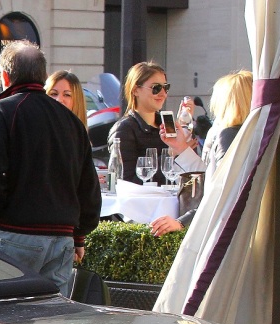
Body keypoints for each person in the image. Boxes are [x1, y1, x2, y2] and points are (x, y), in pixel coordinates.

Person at [0, 40, 101, 296]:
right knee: (50, 322)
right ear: (42, 76)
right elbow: (87, 185)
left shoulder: (2, 111)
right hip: (62, 239)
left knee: (6, 319)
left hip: (16, 233)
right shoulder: (71, 122)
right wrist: (79, 236)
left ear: (6, 75)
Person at [150, 70, 253, 236]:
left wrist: (183, 221)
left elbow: (221, 191)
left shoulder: (228, 134)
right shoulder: (250, 132)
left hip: (224, 228)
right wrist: (181, 147)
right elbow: (213, 177)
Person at [107, 61, 203, 185]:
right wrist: (170, 153)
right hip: (145, 202)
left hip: (174, 201)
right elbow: (125, 181)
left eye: (166, 87)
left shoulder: (168, 124)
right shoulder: (124, 129)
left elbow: (193, 175)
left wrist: (184, 128)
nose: (163, 94)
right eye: (156, 88)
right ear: (136, 90)